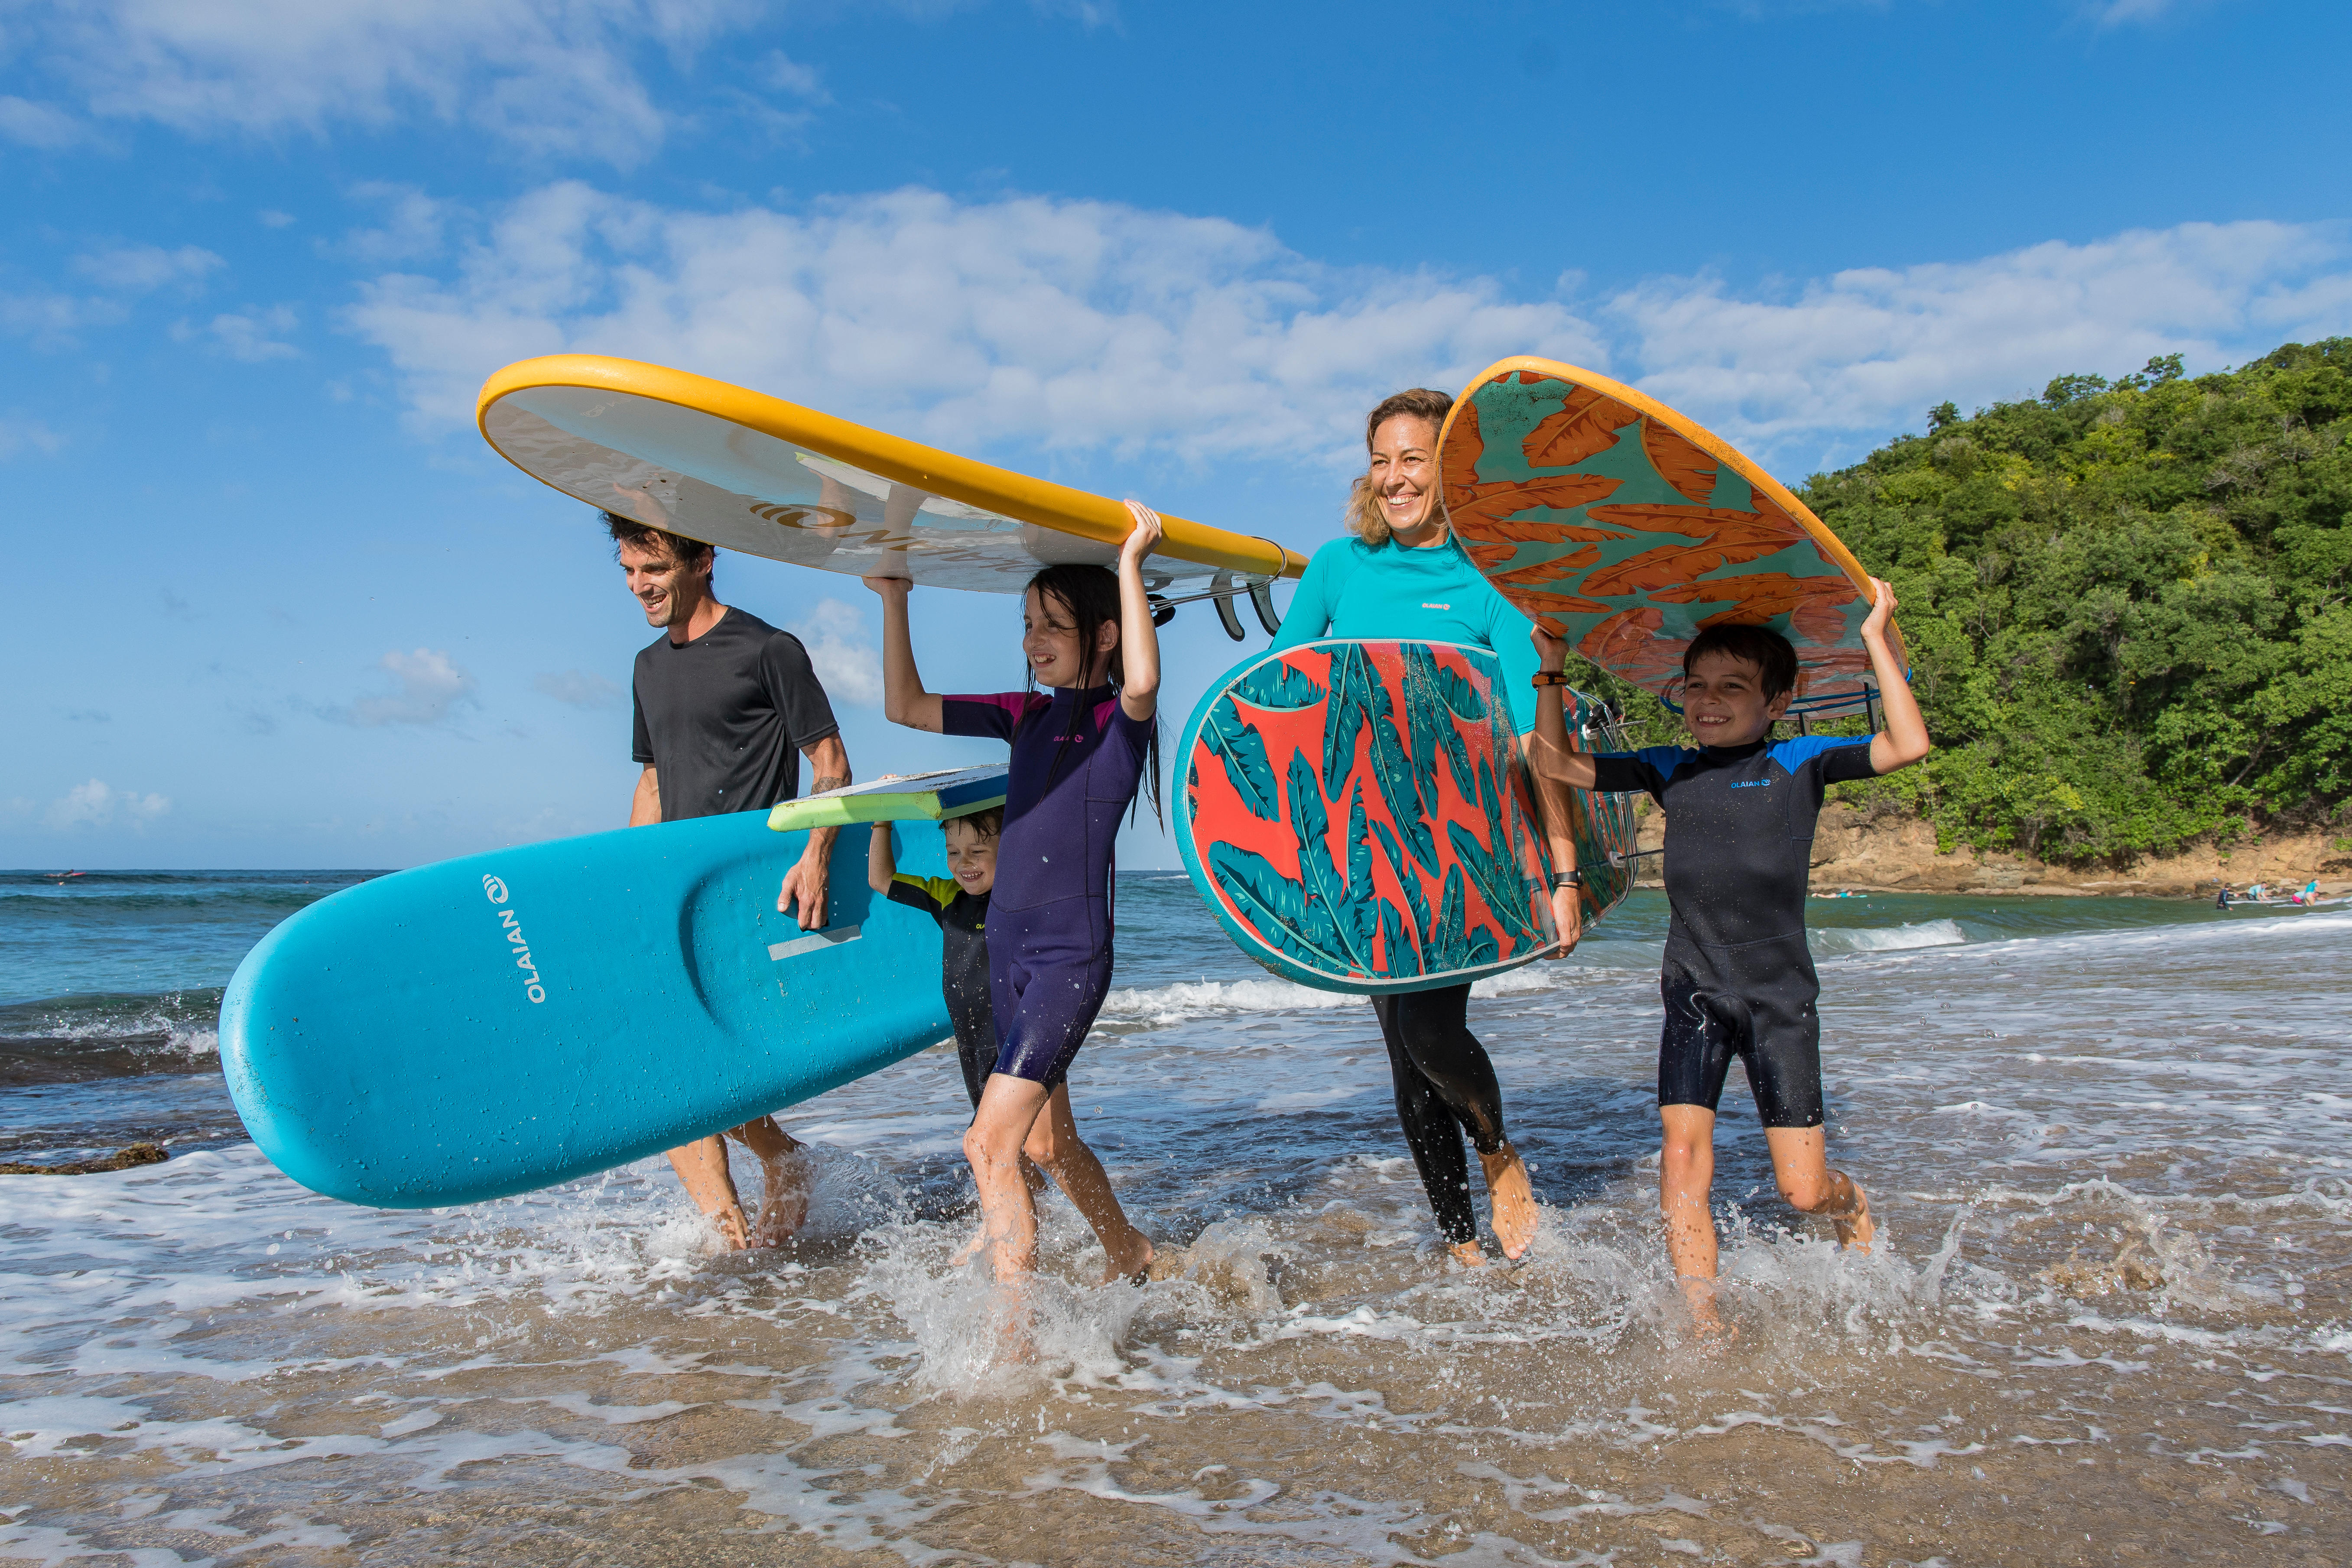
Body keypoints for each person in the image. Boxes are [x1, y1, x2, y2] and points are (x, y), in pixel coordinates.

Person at [1526, 585, 1932, 1338]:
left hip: (1779, 1001)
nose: (1708, 703)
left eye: (1733, 689)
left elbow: (1907, 746)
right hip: (1694, 991)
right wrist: (1549, 673)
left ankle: (1855, 1206)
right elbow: (1553, 763)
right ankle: (1703, 1317)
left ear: (1778, 701)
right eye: (1697, 687)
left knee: (1802, 1193)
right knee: (1681, 1154)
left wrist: (1875, 635)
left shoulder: (1799, 763)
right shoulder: (1667, 768)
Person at [1269, 387, 1575, 1270]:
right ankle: (1458, 1244)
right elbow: (1280, 690)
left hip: (1458, 850)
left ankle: (1495, 1147)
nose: (1395, 477)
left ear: (1450, 471)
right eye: (1381, 459)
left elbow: (1532, 739)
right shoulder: (1336, 566)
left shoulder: (1486, 583)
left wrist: (1560, 875)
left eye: (1414, 459)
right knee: (1401, 1053)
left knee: (1430, 1036)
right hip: (1361, 844)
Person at [863, 504, 1163, 1290]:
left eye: (1053, 626)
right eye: (1028, 624)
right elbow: (905, 706)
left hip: (1069, 959)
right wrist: (894, 598)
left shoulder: (1119, 727)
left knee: (986, 1145)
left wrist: (1130, 564)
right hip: (1007, 952)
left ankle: (1011, 1347)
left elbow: (1142, 679)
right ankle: (1127, 1249)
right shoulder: (1023, 715)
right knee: (1040, 1146)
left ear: (1100, 634)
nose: (1034, 641)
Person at [610, 512, 852, 1251]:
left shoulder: (769, 650)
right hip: (675, 898)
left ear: (703, 558)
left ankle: (754, 1231)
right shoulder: (648, 668)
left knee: (691, 1081)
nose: (638, 586)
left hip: (745, 896)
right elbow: (654, 783)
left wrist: (815, 857)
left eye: (652, 570)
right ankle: (746, 1248)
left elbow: (832, 763)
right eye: (627, 571)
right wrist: (631, 890)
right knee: (684, 1084)